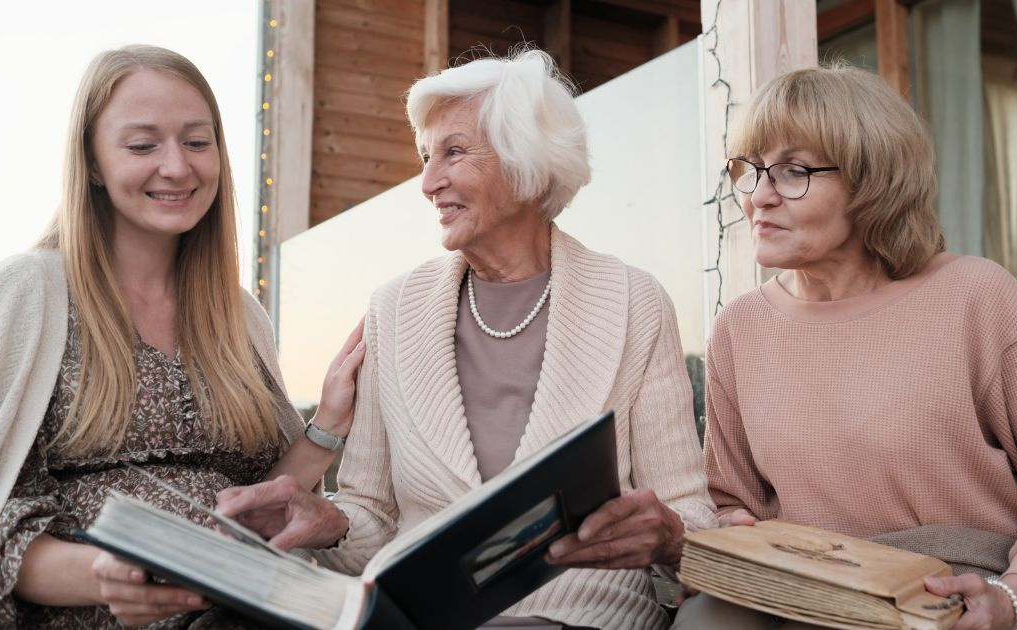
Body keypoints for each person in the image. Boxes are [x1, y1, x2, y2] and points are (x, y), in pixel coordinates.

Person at [215, 49, 716, 630]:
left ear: (527, 160)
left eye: (453, 152)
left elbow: (690, 516)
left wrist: (670, 537)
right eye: (426, 158)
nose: (428, 183)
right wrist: (333, 523)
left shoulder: (635, 301)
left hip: (579, 619)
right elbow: (371, 513)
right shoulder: (394, 309)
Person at [673, 65, 1017, 630]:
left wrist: (1014, 596)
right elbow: (731, 499)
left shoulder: (978, 298)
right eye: (751, 170)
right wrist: (731, 537)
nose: (760, 196)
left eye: (793, 171)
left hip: (971, 591)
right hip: (808, 594)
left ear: (874, 182)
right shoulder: (739, 328)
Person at [0, 45, 363, 629]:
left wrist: (328, 426)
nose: (177, 167)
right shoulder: (23, 293)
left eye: (196, 141)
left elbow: (249, 507)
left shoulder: (238, 314)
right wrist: (106, 574)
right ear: (90, 162)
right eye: (143, 145)